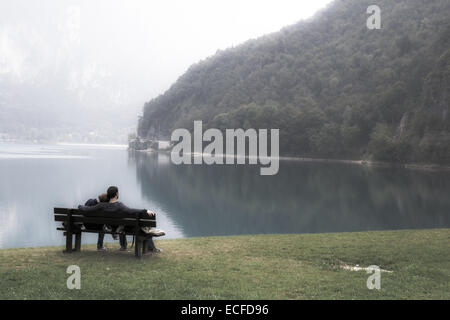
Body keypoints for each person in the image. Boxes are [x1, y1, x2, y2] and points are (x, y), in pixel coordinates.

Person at [78, 186, 162, 253]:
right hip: (124, 228)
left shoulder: (101, 206)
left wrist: (80, 206)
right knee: (144, 228)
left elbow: (87, 209)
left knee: (132, 226)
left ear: (108, 195)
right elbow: (131, 211)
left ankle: (124, 246)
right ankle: (151, 248)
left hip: (115, 228)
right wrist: (145, 211)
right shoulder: (119, 206)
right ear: (116, 194)